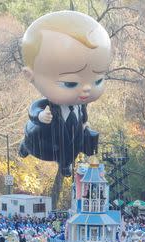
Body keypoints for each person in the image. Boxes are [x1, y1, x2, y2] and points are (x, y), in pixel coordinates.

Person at [18, 11, 111, 176]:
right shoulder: (46, 106)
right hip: (44, 143)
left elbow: (83, 115)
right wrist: (40, 117)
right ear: (31, 75)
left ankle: (66, 163)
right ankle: (26, 146)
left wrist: (84, 124)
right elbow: (34, 110)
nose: (86, 89)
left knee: (80, 140)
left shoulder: (80, 105)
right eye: (70, 83)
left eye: (97, 81)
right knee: (35, 136)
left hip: (70, 140)